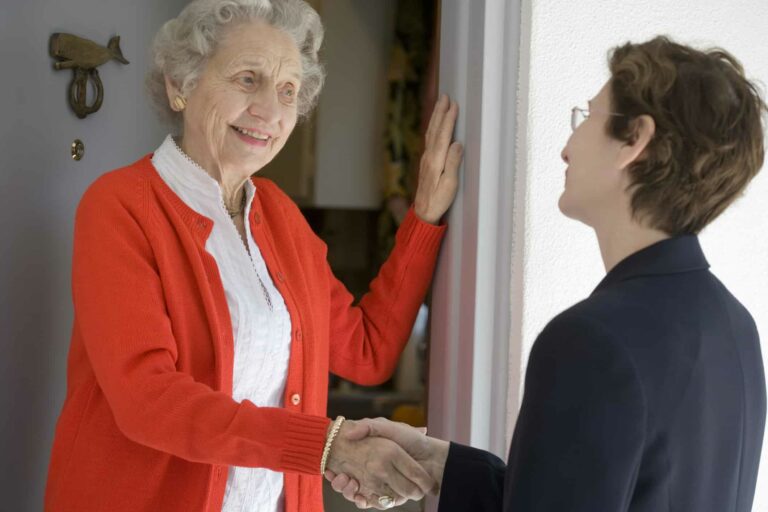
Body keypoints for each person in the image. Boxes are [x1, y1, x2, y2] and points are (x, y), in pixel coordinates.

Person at [43, 0, 464, 511]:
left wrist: (421, 219)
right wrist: (327, 449)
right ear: (181, 85)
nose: (270, 111)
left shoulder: (281, 218)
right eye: (247, 79)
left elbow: (366, 351)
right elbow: (148, 401)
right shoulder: (120, 207)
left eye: (288, 91)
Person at [327, 36, 767, 511]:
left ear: (634, 140)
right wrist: (442, 464)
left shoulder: (591, 341)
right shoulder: (736, 327)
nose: (566, 148)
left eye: (587, 118)